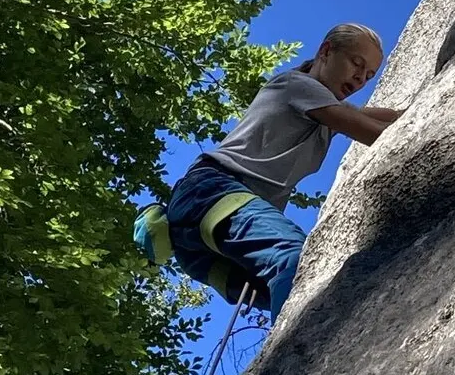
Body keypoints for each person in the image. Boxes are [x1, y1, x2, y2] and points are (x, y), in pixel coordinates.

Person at [165, 23, 405, 322]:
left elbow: (386, 116)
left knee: (303, 294)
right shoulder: (299, 86)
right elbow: (374, 131)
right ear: (326, 51)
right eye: (356, 64)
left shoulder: (323, 107)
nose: (360, 79)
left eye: (369, 75)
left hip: (199, 245)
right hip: (214, 193)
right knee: (296, 262)